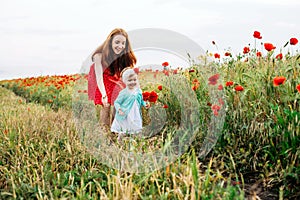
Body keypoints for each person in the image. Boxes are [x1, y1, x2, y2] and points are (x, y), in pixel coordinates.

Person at [88, 28, 137, 128]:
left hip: (112, 78)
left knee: (119, 96)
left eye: (123, 43)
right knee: (106, 105)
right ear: (110, 42)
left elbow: (128, 75)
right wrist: (103, 94)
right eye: (117, 42)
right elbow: (99, 77)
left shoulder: (121, 56)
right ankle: (104, 130)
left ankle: (114, 129)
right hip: (100, 80)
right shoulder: (99, 56)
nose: (120, 46)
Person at [110, 68, 148, 142]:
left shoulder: (138, 91)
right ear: (125, 81)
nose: (132, 82)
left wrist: (145, 104)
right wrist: (119, 109)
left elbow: (141, 100)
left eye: (134, 80)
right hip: (126, 113)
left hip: (136, 113)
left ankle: (136, 140)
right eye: (129, 80)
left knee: (136, 126)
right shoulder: (124, 92)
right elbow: (117, 102)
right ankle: (121, 138)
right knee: (125, 127)